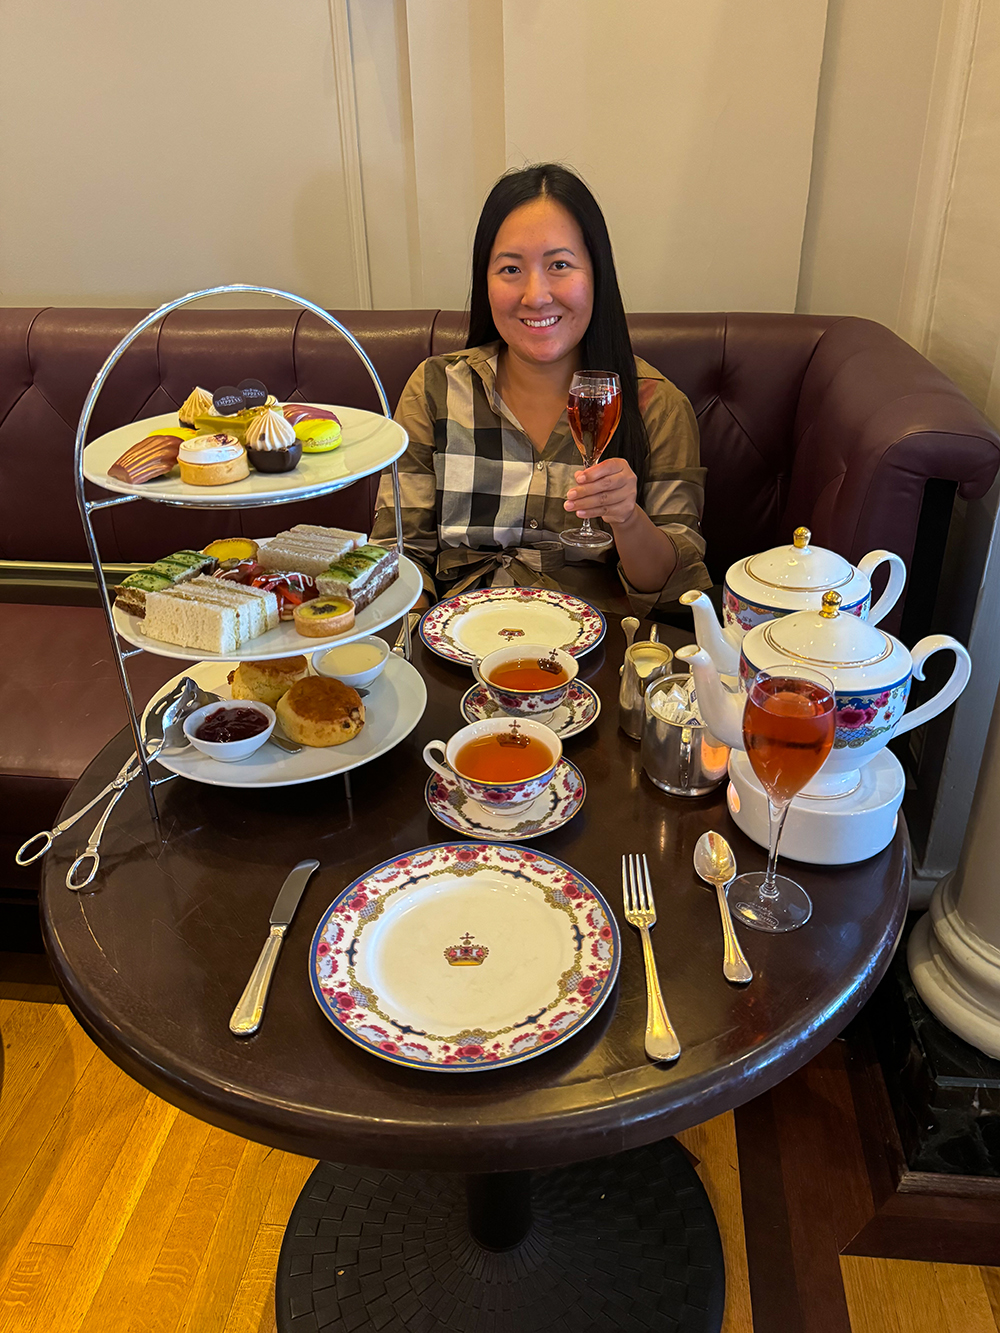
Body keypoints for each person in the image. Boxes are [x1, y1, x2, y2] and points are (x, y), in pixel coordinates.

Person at [371, 163, 711, 615]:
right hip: (456, 643)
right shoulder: (436, 387)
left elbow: (672, 589)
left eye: (560, 265)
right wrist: (408, 663)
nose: (536, 295)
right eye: (511, 268)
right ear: (484, 281)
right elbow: (399, 555)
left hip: (592, 659)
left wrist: (627, 518)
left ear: (597, 274)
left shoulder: (655, 404)